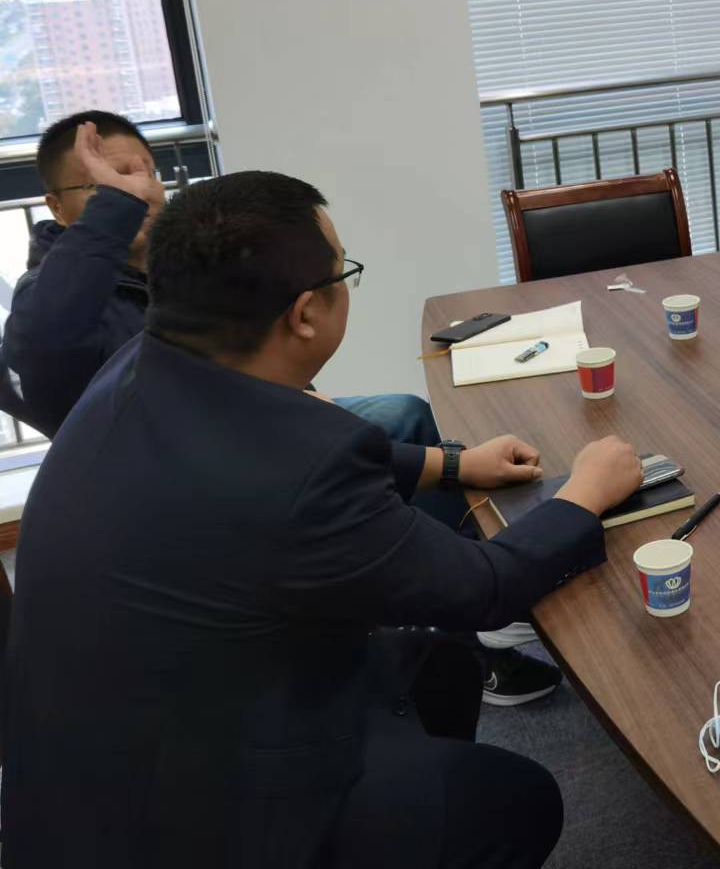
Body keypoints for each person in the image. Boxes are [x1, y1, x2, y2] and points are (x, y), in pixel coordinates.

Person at [1, 170, 645, 868]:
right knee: (518, 799)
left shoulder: (140, 364)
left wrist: (453, 464)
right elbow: (484, 587)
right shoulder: (302, 470)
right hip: (189, 820)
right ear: (306, 314)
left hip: (86, 773)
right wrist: (583, 494)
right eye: (345, 272)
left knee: (438, 666)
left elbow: (289, 449)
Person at [0, 111, 559, 703]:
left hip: (246, 442)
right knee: (389, 434)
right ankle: (448, 607)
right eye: (105, 183)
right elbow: (37, 357)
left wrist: (451, 462)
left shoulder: (176, 268)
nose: (139, 190)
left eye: (143, 173)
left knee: (402, 416)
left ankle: (442, 604)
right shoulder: (63, 301)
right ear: (57, 207)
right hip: (194, 515)